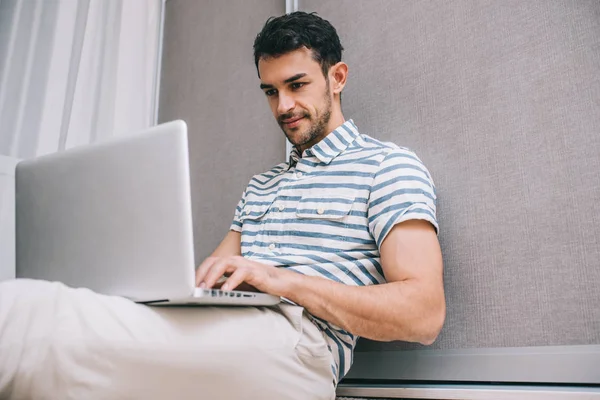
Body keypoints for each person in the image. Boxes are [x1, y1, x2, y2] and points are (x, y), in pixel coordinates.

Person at [0, 11, 445, 400]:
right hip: (232, 329)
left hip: (301, 348)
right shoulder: (261, 186)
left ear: (338, 77)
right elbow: (209, 276)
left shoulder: (387, 165)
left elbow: (424, 313)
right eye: (270, 91)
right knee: (63, 313)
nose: (283, 106)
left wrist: (281, 280)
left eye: (296, 85)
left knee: (25, 314)